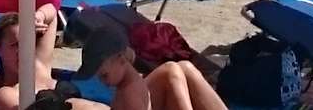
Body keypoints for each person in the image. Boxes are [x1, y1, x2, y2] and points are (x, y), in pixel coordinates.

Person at [77, 15, 227, 110]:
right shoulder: (128, 83)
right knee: (173, 70)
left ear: (121, 59)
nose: (103, 82)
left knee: (182, 67)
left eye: (104, 76)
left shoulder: (130, 95)